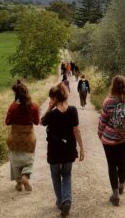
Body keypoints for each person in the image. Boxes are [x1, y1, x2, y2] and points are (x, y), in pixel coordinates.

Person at [41, 83, 84, 217]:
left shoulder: (52, 114)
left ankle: (60, 202)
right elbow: (76, 130)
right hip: (68, 149)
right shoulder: (73, 110)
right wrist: (82, 148)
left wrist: (49, 107)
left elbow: (41, 122)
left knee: (55, 175)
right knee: (67, 175)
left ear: (54, 98)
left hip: (54, 151)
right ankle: (66, 200)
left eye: (51, 99)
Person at [98, 75, 125, 206]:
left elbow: (102, 122)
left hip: (109, 140)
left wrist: (100, 134)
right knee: (122, 163)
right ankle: (121, 186)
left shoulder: (108, 102)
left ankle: (115, 197)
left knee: (111, 166)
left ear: (113, 87)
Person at [5, 80, 40, 192]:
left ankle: (19, 183)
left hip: (15, 138)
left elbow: (7, 122)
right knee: (28, 160)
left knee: (15, 160)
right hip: (28, 139)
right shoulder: (33, 106)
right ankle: (25, 176)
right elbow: (37, 122)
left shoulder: (13, 106)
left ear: (16, 94)